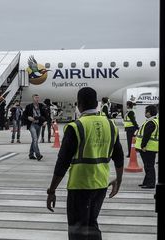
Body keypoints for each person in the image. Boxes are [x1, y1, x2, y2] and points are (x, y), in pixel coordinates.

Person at [46, 87, 124, 240]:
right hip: (101, 184)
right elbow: (119, 156)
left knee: (77, 229)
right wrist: (118, 180)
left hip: (80, 185)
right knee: (91, 224)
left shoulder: (76, 127)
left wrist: (52, 190)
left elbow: (62, 163)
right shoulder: (111, 125)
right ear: (96, 103)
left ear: (79, 104)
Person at [135, 105, 159, 189]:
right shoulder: (154, 121)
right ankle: (146, 182)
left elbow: (146, 135)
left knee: (149, 166)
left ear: (149, 112)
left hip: (148, 148)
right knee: (148, 166)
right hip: (151, 148)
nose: (145, 113)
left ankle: (151, 183)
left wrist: (143, 146)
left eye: (146, 111)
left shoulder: (151, 122)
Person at [23, 94, 48, 160]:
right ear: (33, 98)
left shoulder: (41, 106)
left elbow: (46, 115)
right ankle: (38, 155)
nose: (37, 99)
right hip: (32, 125)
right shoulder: (29, 106)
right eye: (35, 98)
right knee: (35, 139)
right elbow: (24, 115)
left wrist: (45, 121)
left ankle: (31, 154)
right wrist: (28, 117)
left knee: (34, 140)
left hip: (39, 125)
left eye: (38, 98)